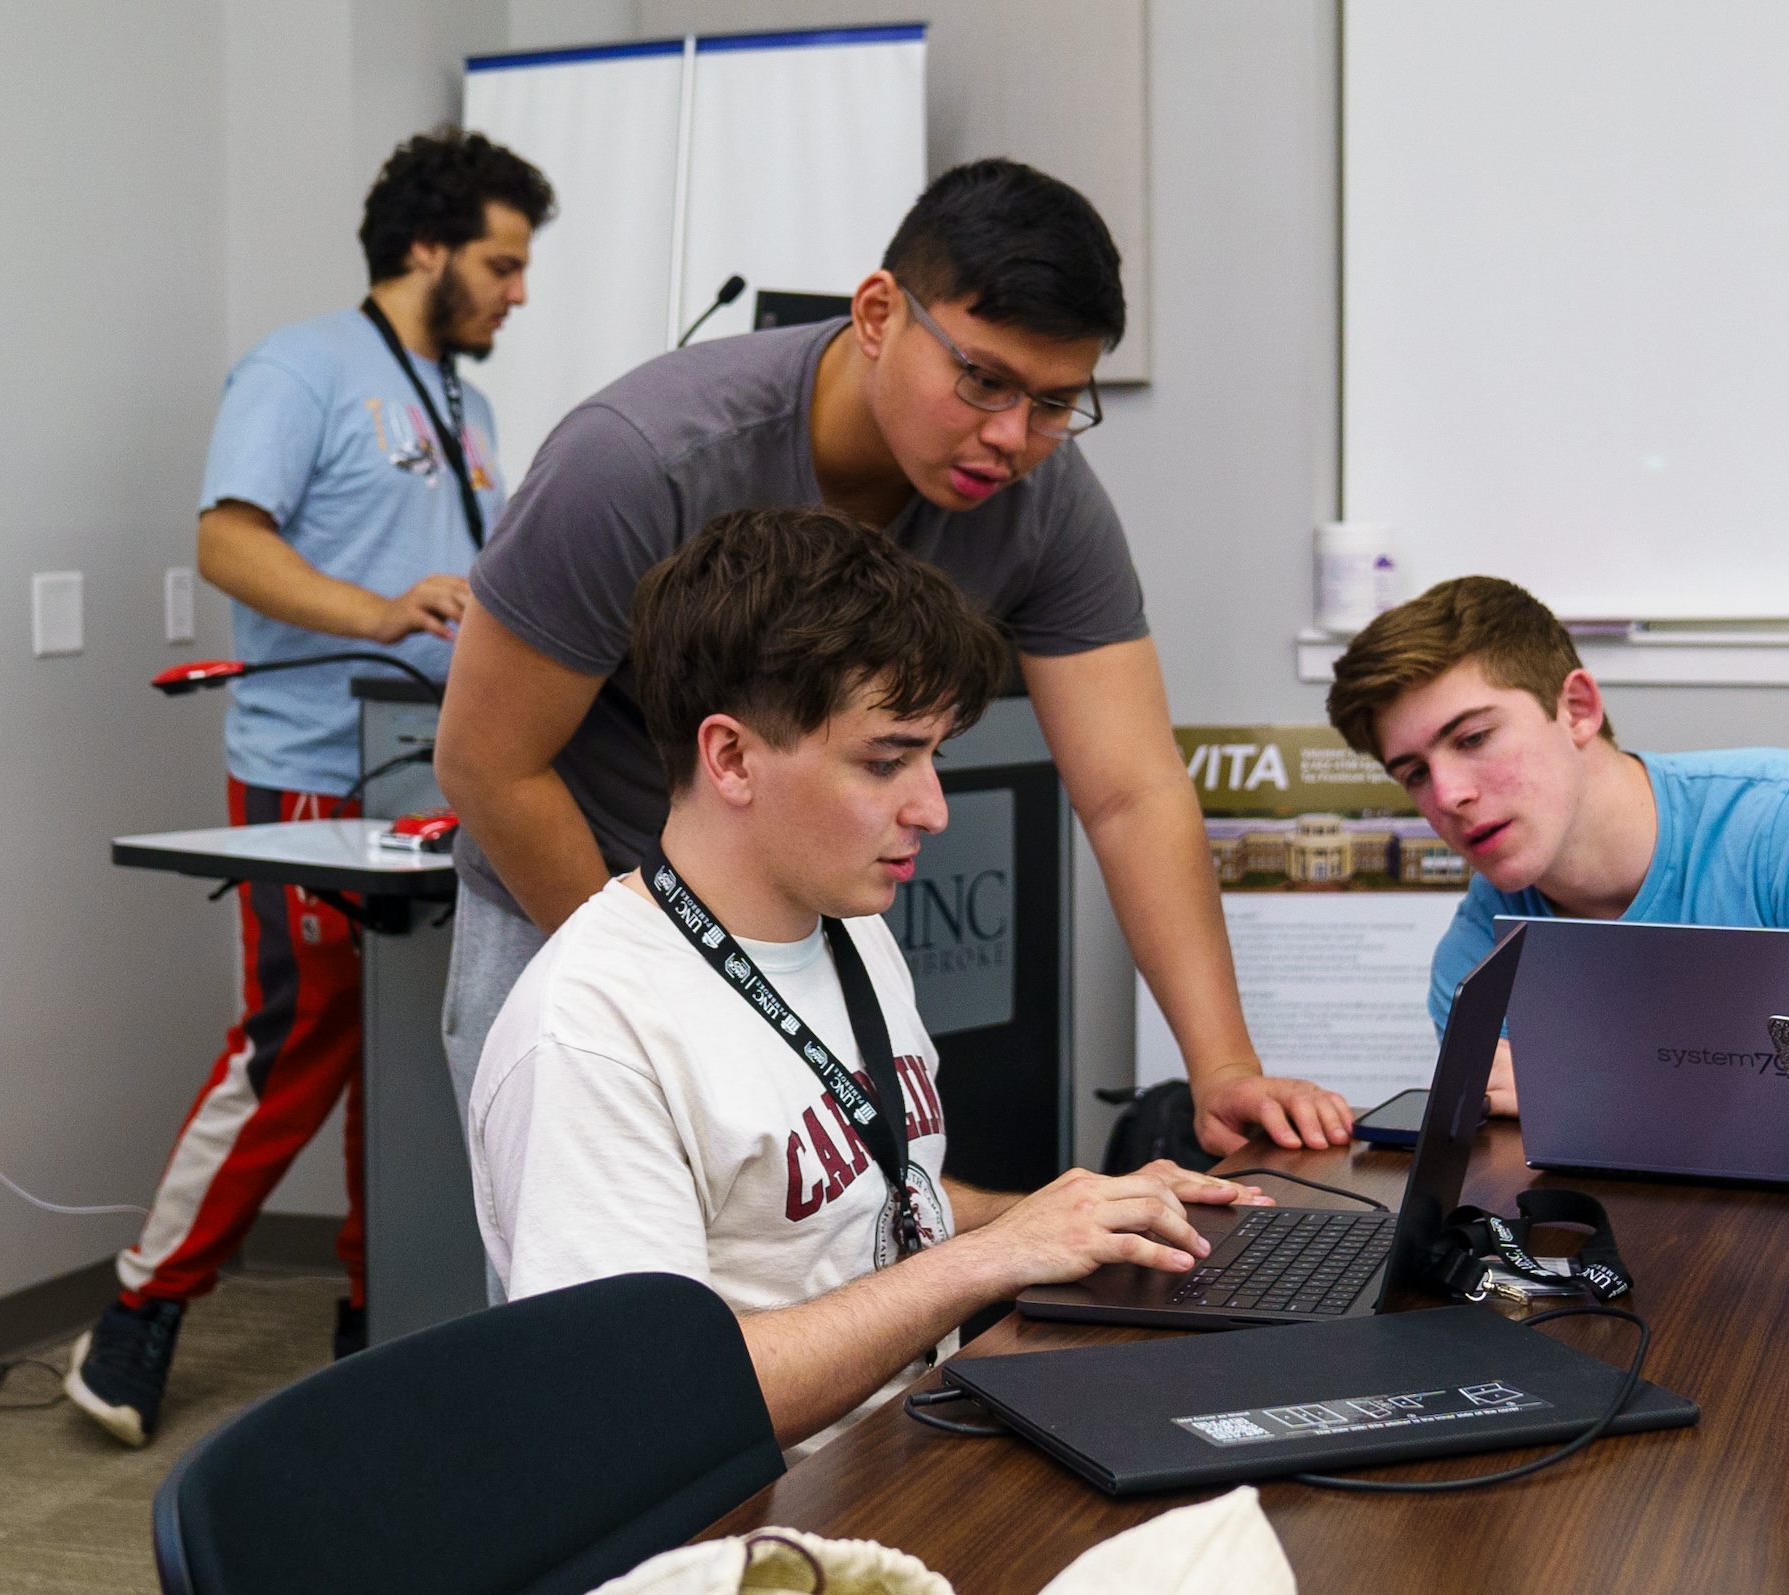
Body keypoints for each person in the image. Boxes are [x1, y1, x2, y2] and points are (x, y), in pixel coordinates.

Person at [436, 158, 1349, 1165]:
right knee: (600, 1309)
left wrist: (1221, 1068)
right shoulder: (641, 461)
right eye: (983, 379)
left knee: (836, 1259)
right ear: (878, 313)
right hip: (578, 904)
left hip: (804, 923)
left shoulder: (1042, 499)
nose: (1011, 436)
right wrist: (678, 986)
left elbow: (1131, 788)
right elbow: (490, 764)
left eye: (1055, 402)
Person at [469, 507, 1267, 1452]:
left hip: (901, 1454)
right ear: (730, 757)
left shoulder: (843, 923)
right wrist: (991, 1258)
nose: (931, 807)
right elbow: (640, 1407)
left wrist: (1083, 1216)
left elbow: (865, 1200)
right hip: (748, 1531)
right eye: (886, 761)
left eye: (935, 756)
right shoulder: (590, 1032)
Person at [65, 129, 553, 1447]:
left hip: (441, 770)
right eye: (503, 265)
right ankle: (138, 1311)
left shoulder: (474, 407)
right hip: (309, 768)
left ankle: (372, 1308)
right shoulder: (301, 367)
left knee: (408, 1040)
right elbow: (229, 538)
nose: (519, 292)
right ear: (426, 247)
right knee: (301, 1035)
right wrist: (381, 611)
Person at [1325, 576, 1789, 1116]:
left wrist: (1597, 1094)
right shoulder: (1477, 963)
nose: (1447, 794)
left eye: (1473, 738)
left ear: (1578, 709)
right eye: (1413, 772)